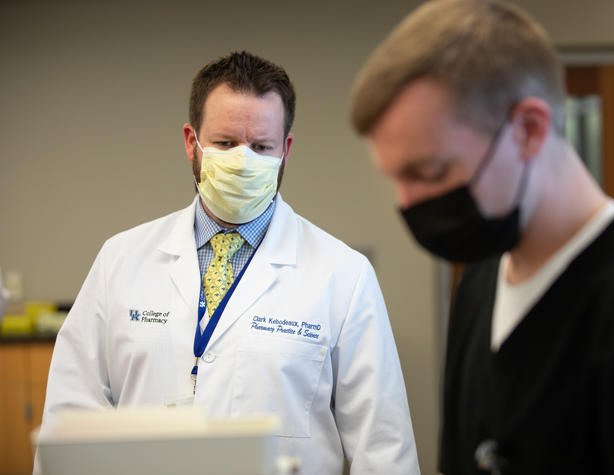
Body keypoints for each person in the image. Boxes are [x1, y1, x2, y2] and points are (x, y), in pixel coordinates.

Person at [350, 1, 614, 473]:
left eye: (430, 170)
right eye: (395, 179)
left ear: (528, 129)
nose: (409, 203)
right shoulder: (481, 281)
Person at [37, 51, 419, 475]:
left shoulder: (344, 276)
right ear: (191, 142)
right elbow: (69, 418)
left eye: (261, 147)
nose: (243, 161)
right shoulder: (120, 260)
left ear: (285, 151)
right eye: (225, 143)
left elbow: (384, 448)